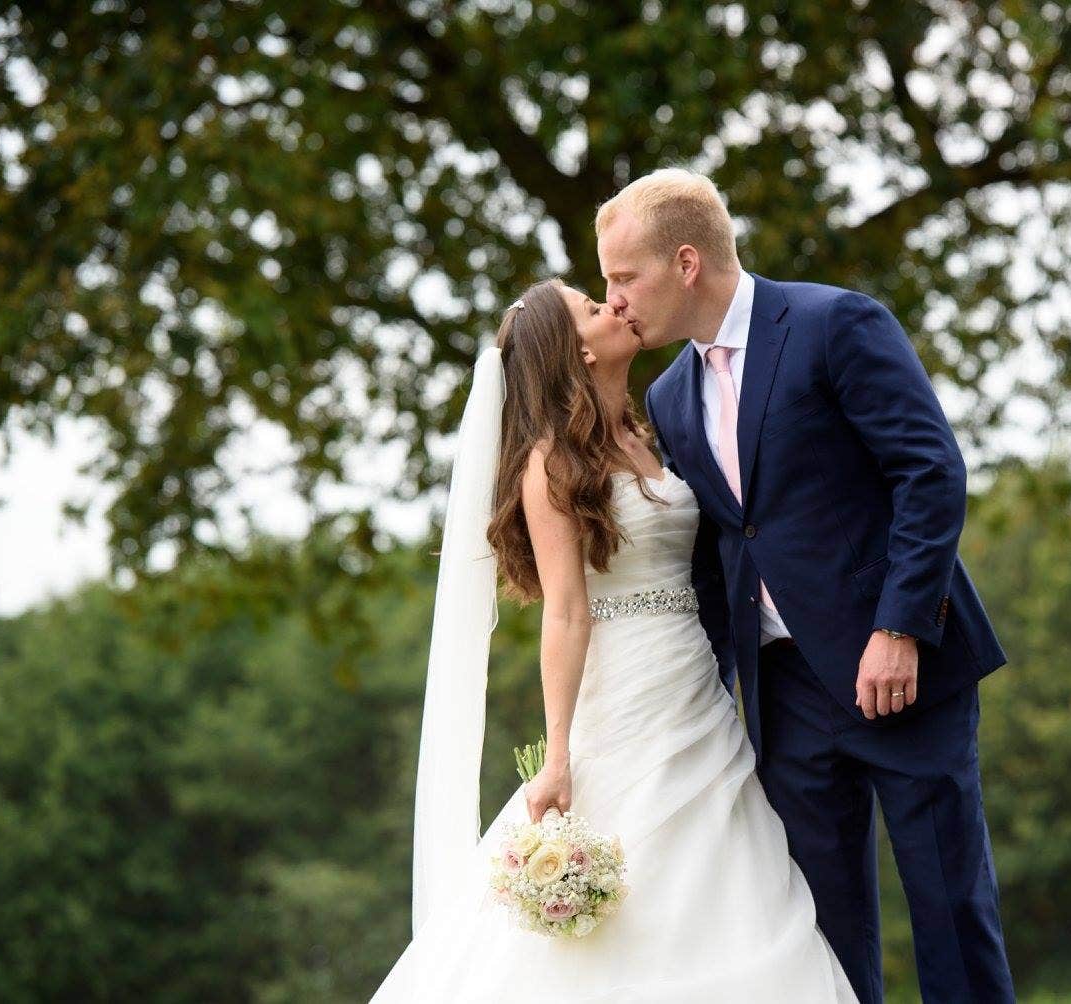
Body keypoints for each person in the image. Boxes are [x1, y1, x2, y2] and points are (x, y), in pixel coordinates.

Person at [369, 279, 858, 1002]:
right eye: (592, 309)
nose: (614, 306)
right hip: (624, 692)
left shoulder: (650, 430)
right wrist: (557, 753)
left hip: (696, 685)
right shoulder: (550, 465)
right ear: (574, 353)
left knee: (727, 873)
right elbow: (565, 612)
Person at [598, 168, 1014, 1004]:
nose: (612, 302)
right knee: (820, 934)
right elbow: (720, 553)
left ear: (685, 263)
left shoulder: (834, 323)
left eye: (623, 277)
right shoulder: (671, 395)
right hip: (785, 695)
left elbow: (929, 472)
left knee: (948, 910)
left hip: (901, 672)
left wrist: (899, 628)